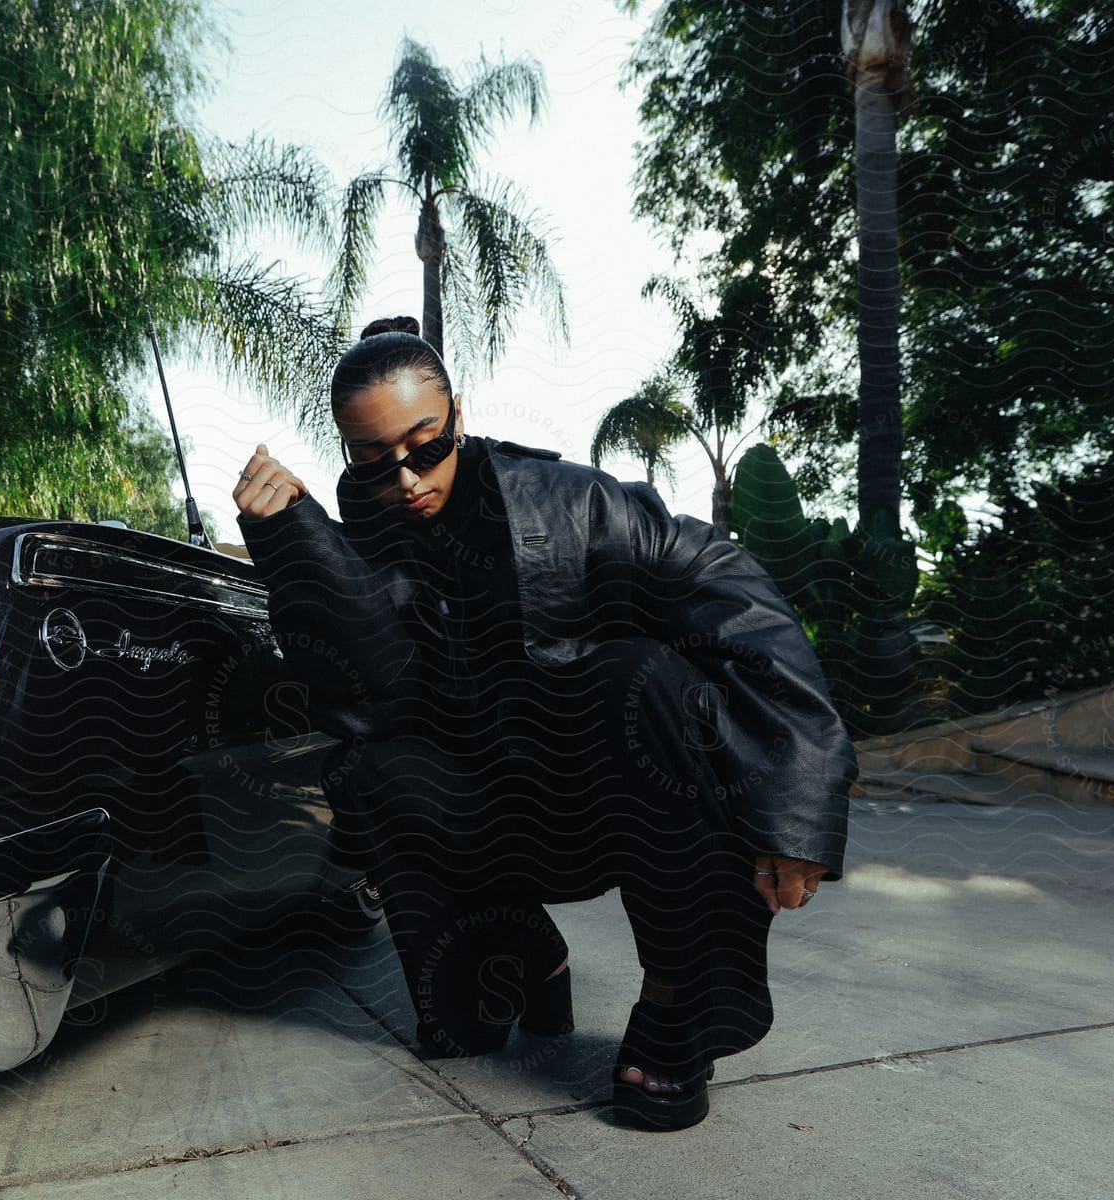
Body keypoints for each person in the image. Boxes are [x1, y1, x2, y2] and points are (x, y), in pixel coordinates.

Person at [232, 316, 857, 1132]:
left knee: (644, 678)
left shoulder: (575, 504)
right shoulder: (367, 535)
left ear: (458, 416)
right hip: (491, 816)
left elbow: (741, 604)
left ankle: (679, 996)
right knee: (367, 769)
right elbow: (370, 704)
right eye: (375, 461)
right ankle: (524, 953)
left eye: (425, 447)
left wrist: (799, 803)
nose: (408, 479)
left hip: (610, 804)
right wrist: (295, 546)